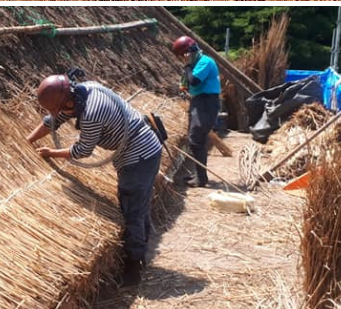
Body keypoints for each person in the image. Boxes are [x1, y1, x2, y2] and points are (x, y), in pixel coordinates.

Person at [28, 74, 163, 285]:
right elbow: (54, 119)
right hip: (144, 150)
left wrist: (51, 153)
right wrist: (29, 140)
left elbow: (83, 150)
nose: (61, 113)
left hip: (138, 156)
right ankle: (142, 246)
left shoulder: (92, 113)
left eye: (61, 108)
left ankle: (133, 267)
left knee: (132, 208)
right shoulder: (82, 90)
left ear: (69, 101)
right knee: (138, 203)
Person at [171, 36, 221, 187]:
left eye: (183, 56)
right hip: (200, 101)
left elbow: (194, 81)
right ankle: (200, 175)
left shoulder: (205, 62)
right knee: (196, 139)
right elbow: (189, 82)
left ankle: (201, 179)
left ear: (189, 52)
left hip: (206, 102)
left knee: (196, 139)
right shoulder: (197, 62)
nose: (183, 59)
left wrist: (187, 66)